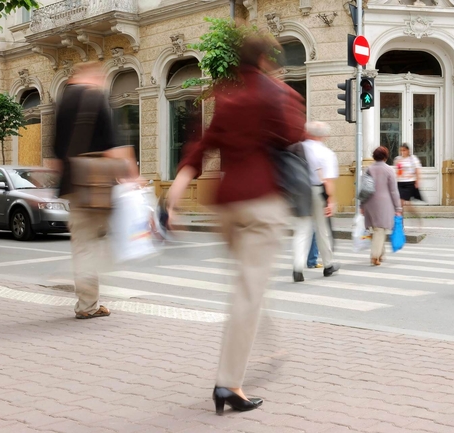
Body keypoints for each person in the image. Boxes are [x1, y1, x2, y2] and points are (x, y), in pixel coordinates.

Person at [167, 35, 306, 414]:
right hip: (262, 204)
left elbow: (203, 144)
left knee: (248, 285)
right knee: (249, 292)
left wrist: (175, 192)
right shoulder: (277, 94)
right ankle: (229, 384)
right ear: (265, 59)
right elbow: (295, 134)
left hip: (226, 207)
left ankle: (262, 340)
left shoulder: (226, 97)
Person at [53, 62, 137, 319]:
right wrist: (132, 176)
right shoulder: (94, 98)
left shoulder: (63, 100)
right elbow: (112, 146)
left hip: (73, 183)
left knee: (83, 243)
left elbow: (55, 150)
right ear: (91, 76)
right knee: (101, 241)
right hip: (97, 184)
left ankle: (88, 302)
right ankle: (88, 304)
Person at [292, 121, 340, 282]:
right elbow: (328, 180)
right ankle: (328, 265)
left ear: (307, 133)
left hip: (300, 191)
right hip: (319, 191)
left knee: (302, 229)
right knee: (322, 229)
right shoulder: (327, 153)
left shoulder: (298, 148)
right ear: (324, 136)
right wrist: (331, 200)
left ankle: (298, 268)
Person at [362, 146, 402, 266]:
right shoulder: (389, 170)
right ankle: (375, 256)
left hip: (369, 202)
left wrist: (361, 204)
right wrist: (398, 207)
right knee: (380, 229)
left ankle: (381, 254)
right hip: (383, 203)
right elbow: (394, 190)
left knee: (376, 229)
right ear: (385, 156)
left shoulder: (368, 169)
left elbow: (364, 188)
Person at [393, 143, 423, 225]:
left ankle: (416, 218)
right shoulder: (398, 159)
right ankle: (401, 224)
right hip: (400, 183)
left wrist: (417, 180)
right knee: (402, 204)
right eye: (401, 150)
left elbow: (417, 169)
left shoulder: (413, 159)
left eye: (404, 150)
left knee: (402, 203)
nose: (402, 152)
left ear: (408, 150)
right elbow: (397, 171)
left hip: (409, 183)